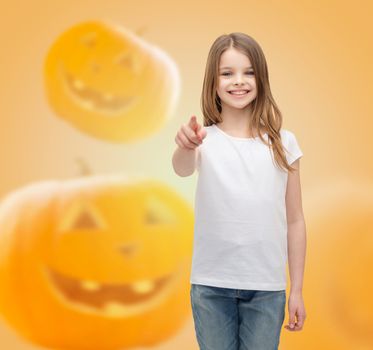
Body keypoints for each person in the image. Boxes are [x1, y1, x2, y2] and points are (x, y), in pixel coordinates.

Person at [172, 32, 307, 350]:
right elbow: (181, 167)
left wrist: (297, 288)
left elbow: (295, 221)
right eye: (227, 73)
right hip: (211, 287)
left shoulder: (283, 144)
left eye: (248, 72)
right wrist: (185, 144)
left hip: (266, 288)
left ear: (261, 78)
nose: (239, 81)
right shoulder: (202, 139)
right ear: (214, 82)